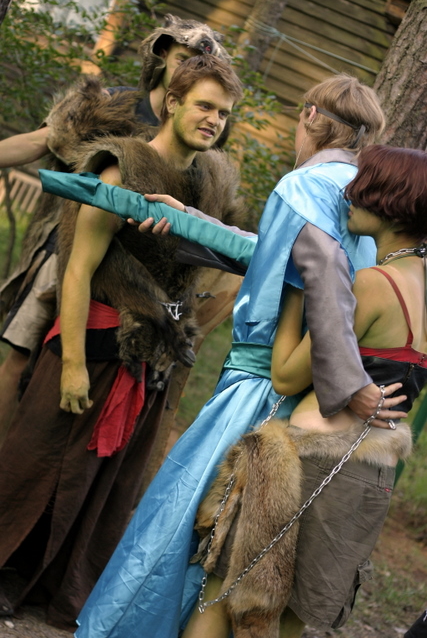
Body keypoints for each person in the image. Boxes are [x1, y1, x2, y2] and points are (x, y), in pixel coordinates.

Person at [73, 75, 402, 638]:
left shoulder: (306, 185)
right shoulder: (366, 194)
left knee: (189, 525)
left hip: (263, 385)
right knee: (238, 545)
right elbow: (277, 256)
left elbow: (325, 279)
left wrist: (349, 381)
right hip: (309, 396)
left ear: (310, 115)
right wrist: (190, 221)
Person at [0, 54, 244, 631]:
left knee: (103, 485)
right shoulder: (120, 167)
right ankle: (6, 574)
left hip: (151, 357)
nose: (213, 120)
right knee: (42, 465)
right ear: (173, 101)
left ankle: (58, 590)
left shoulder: (210, 178)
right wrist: (72, 364)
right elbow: (78, 269)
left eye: (223, 112)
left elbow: (227, 258)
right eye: (204, 105)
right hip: (94, 343)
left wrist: (188, 224)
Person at [186, 144, 427, 637]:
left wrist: (300, 291)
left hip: (310, 463)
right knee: (293, 620)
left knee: (227, 596)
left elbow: (286, 376)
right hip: (373, 473)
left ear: (391, 204)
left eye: (363, 188)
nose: (349, 196)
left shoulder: (374, 285)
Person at [0, 13, 231, 444]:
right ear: (162, 56)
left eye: (200, 62)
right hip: (69, 249)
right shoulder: (116, 104)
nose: (189, 69)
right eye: (181, 58)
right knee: (22, 354)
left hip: (133, 283)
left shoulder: (202, 130)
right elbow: (39, 140)